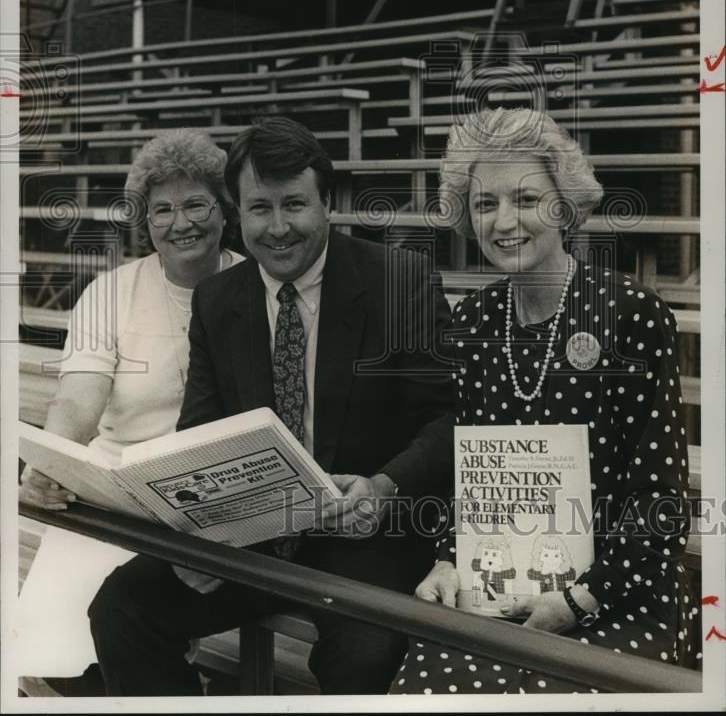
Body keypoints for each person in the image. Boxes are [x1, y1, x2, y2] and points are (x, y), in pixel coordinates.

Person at [88, 115, 455, 696]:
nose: (278, 228)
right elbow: (199, 431)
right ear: (238, 211)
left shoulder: (399, 281)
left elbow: (446, 419)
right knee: (121, 607)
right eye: (260, 208)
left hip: (364, 536)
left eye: (295, 205)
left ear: (327, 203)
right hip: (253, 530)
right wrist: (195, 539)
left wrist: (384, 486)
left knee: (365, 656)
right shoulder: (217, 298)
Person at [390, 107, 698, 695]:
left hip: (620, 589)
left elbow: (660, 498)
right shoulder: (473, 321)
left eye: (526, 198)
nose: (505, 221)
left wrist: (581, 598)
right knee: (426, 689)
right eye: (484, 205)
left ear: (564, 205)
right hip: (501, 586)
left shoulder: (631, 314)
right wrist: (449, 560)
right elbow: (472, 477)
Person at [18, 128, 243, 694]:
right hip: (116, 491)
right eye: (162, 209)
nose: (180, 222)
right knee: (48, 652)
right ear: (145, 222)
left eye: (196, 204)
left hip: (214, 498)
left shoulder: (255, 285)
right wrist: (49, 465)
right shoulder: (113, 292)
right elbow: (78, 400)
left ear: (225, 209)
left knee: (124, 627)